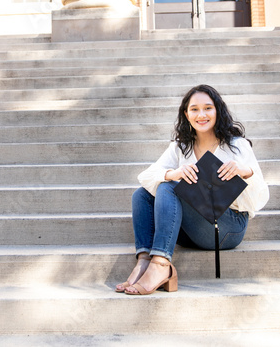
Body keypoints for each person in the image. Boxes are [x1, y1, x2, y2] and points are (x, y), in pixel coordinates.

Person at [115, 84, 269, 295]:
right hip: (193, 229)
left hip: (227, 226)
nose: (201, 114)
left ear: (218, 111)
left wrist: (245, 172)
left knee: (169, 188)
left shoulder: (236, 145)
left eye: (208, 108)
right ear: (186, 115)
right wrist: (173, 173)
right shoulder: (181, 147)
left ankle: (161, 266)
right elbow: (146, 177)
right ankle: (144, 261)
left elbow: (259, 199)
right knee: (142, 195)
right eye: (194, 109)